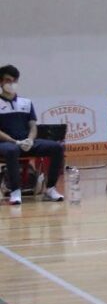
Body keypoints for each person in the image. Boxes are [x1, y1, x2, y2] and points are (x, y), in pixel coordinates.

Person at [0, 65, 64, 204]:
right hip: (6, 144)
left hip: (27, 142)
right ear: (1, 82)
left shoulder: (26, 103)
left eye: (14, 81)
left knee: (56, 147)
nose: (11, 84)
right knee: (11, 150)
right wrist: (14, 142)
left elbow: (33, 126)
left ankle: (50, 188)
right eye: (7, 80)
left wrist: (29, 139)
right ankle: (15, 191)